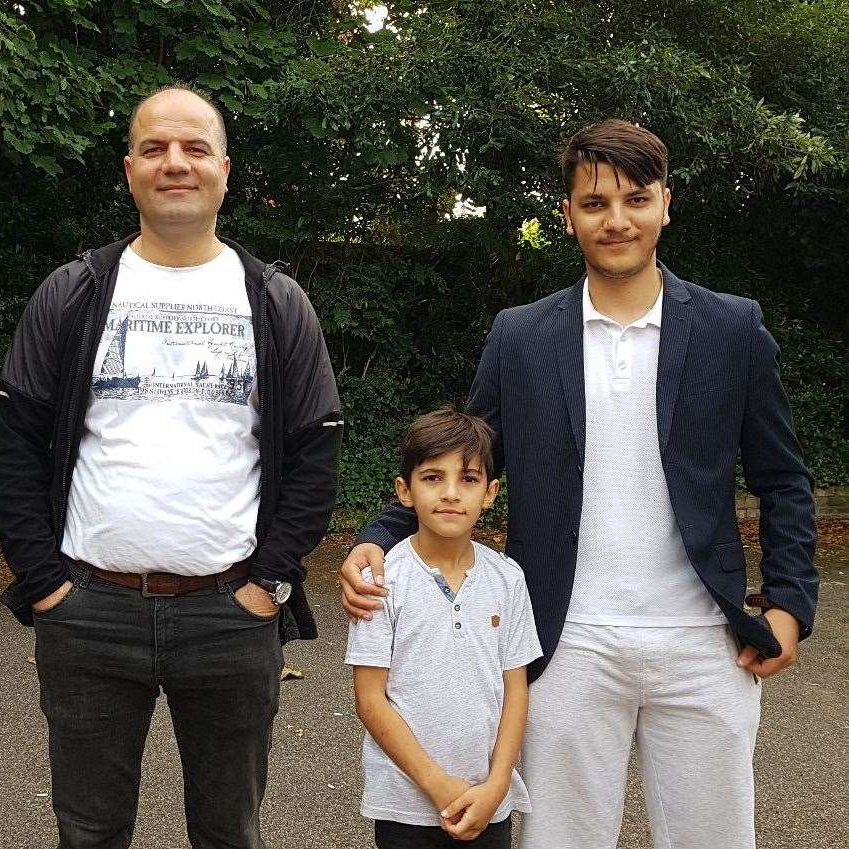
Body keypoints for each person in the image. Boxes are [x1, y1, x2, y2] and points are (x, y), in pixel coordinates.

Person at [340, 120, 818, 849]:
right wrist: (379, 537)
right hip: (565, 639)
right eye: (594, 203)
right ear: (566, 214)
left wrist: (788, 604)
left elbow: (783, 478)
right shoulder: (521, 335)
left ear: (666, 203)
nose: (616, 219)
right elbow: (467, 458)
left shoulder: (731, 328)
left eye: (635, 198)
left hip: (704, 640)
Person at [0, 83, 342, 849]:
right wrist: (46, 583)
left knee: (228, 831)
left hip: (230, 615)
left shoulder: (274, 299)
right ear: (128, 169)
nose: (173, 163)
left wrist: (266, 583)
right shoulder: (74, 291)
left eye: (192, 148)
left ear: (223, 168)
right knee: (88, 831)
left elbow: (317, 451)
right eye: (154, 148)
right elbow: (14, 440)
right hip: (88, 613)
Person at [347, 408, 539, 849]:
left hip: (488, 800)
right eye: (433, 477)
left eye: (468, 479)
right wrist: (437, 784)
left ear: (490, 492)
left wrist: (496, 786)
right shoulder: (380, 581)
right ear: (405, 490)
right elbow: (371, 699)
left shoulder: (508, 578)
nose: (451, 493)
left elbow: (516, 692)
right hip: (406, 803)